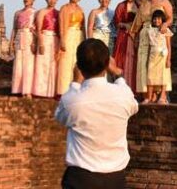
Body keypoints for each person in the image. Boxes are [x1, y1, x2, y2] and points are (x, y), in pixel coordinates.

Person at [55, 39, 138, 189]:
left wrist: (75, 82)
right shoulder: (123, 95)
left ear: (78, 66)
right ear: (107, 64)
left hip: (81, 179)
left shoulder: (72, 100)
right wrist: (117, 73)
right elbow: (133, 105)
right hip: (115, 179)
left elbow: (60, 116)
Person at [131, 0, 174, 99]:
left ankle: (162, 95)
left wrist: (165, 24)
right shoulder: (144, 4)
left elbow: (170, 18)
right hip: (145, 35)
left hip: (159, 34)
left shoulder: (164, 2)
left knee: (161, 63)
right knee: (144, 64)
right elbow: (137, 24)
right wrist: (134, 38)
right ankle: (148, 95)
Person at [57, 0, 86, 96]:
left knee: (77, 62)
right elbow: (61, 25)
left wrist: (85, 39)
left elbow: (83, 26)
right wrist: (62, 40)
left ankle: (76, 88)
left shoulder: (81, 9)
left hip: (79, 36)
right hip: (68, 35)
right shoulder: (64, 8)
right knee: (66, 62)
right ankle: (64, 90)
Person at [32, 0, 60, 98]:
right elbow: (38, 29)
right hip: (44, 38)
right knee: (42, 65)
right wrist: (41, 43)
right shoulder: (42, 12)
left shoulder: (58, 13)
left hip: (55, 40)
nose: (52, 0)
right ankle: (40, 92)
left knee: (53, 66)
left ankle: (52, 92)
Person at [113, 0, 139, 92]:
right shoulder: (121, 6)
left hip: (135, 37)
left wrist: (133, 28)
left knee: (135, 61)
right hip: (123, 37)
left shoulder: (140, 6)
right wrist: (126, 25)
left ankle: (134, 89)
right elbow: (117, 22)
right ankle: (121, 88)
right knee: (122, 60)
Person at [10, 0, 37, 96]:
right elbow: (14, 29)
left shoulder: (35, 13)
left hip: (29, 38)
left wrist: (34, 42)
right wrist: (11, 42)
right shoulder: (17, 13)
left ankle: (28, 91)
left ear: (33, 0)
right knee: (18, 64)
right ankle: (19, 89)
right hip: (19, 37)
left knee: (29, 64)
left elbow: (36, 29)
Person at [146, 10, 172, 104]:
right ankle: (149, 97)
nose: (157, 21)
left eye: (159, 19)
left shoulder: (166, 30)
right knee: (150, 76)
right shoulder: (149, 31)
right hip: (153, 56)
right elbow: (149, 46)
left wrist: (169, 59)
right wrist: (148, 58)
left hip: (163, 57)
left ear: (162, 20)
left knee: (163, 76)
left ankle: (162, 96)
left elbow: (169, 46)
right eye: (155, 19)